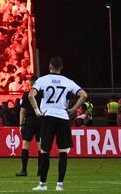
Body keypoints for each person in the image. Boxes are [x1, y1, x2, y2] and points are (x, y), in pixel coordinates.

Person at [30, 55, 87, 191]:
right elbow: (84, 95)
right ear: (61, 67)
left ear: (50, 66)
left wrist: (37, 111)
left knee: (45, 150)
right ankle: (59, 185)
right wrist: (73, 109)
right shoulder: (67, 81)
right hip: (62, 117)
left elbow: (31, 95)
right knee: (63, 151)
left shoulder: (42, 80)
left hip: (48, 116)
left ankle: (43, 184)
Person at [16, 90, 40, 177]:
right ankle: (40, 170)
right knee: (40, 147)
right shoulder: (43, 93)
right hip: (41, 121)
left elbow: (22, 110)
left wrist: (21, 124)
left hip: (29, 122)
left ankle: (24, 170)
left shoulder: (27, 94)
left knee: (25, 146)